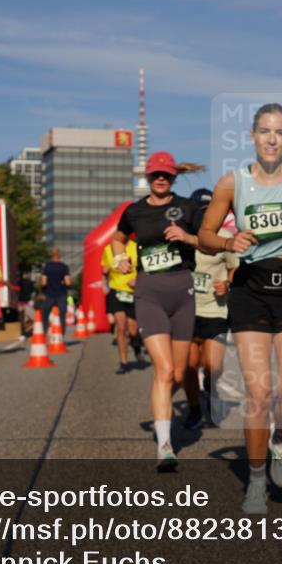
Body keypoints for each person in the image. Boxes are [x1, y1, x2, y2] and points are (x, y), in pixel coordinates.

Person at [198, 102, 282, 515]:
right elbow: (204, 235)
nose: (271, 139)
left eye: (279, 132)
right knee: (258, 395)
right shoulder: (232, 183)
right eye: (264, 131)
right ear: (253, 136)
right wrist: (228, 242)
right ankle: (256, 480)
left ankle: (280, 441)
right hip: (251, 292)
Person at [112, 151, 200, 471]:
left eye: (166, 174)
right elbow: (118, 239)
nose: (160, 179)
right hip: (149, 293)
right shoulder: (133, 211)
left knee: (177, 373)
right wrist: (120, 257)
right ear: (147, 177)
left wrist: (186, 236)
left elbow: (208, 241)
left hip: (183, 292)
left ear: (173, 177)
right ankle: (165, 446)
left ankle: (161, 403)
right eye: (155, 174)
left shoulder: (189, 207)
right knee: (163, 371)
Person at [183, 188, 240, 430]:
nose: (205, 215)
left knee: (213, 366)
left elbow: (235, 267)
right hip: (186, 310)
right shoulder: (183, 237)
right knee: (188, 366)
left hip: (216, 310)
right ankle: (195, 409)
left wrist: (227, 283)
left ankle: (210, 387)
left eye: (209, 211)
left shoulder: (224, 237)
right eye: (200, 211)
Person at [101, 236, 143, 374]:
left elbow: (144, 269)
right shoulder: (108, 249)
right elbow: (104, 271)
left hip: (133, 291)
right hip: (116, 291)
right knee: (121, 327)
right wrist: (104, 283)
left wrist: (138, 280)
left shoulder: (136, 247)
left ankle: (136, 347)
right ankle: (123, 362)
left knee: (133, 330)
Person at [41, 248, 72, 337]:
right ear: (60, 255)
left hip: (49, 293)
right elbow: (68, 282)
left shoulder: (47, 266)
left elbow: (43, 282)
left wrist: (44, 288)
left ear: (51, 255)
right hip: (61, 293)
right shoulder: (64, 266)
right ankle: (61, 335)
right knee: (62, 315)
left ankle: (44, 332)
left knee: (45, 314)